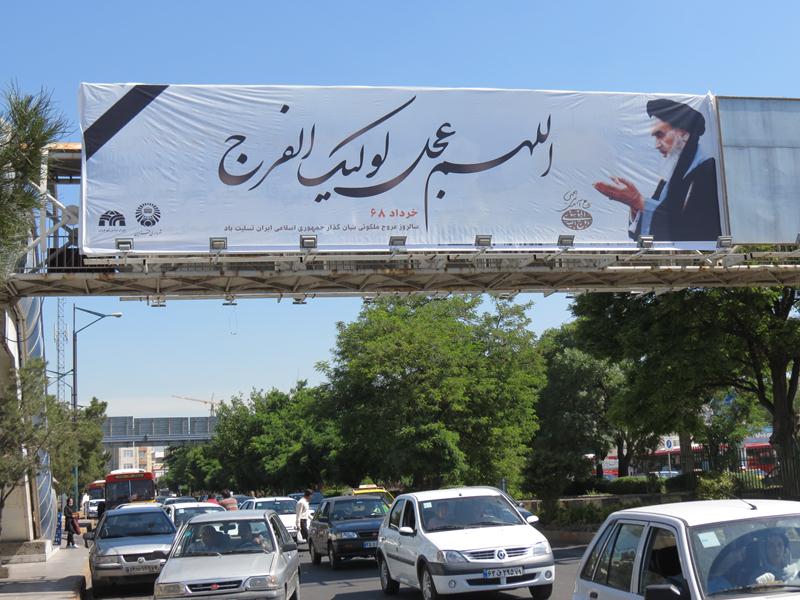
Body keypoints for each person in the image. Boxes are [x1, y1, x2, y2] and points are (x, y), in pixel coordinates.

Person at [594, 98, 721, 242]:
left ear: (684, 134)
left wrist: (638, 201)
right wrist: (635, 207)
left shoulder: (707, 171)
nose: (656, 145)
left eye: (660, 135)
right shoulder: (668, 180)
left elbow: (692, 227)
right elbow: (644, 235)